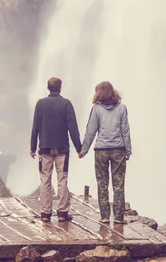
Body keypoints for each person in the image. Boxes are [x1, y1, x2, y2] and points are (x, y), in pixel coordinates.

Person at [30, 77, 82, 223]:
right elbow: (73, 128)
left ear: (48, 88)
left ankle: (45, 214)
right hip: (62, 149)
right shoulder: (66, 104)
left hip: (45, 148)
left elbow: (35, 127)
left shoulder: (40, 104)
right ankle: (62, 213)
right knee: (62, 179)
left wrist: (33, 147)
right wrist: (79, 148)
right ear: (60, 87)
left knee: (45, 179)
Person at [80, 81, 132, 224]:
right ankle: (119, 218)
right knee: (119, 184)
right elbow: (125, 131)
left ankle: (104, 217)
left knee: (102, 183)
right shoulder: (122, 108)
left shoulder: (96, 109)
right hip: (118, 150)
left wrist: (83, 150)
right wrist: (128, 150)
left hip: (101, 150)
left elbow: (91, 131)